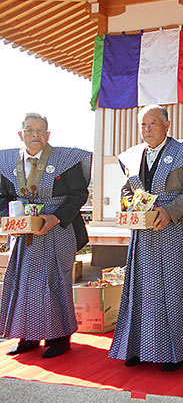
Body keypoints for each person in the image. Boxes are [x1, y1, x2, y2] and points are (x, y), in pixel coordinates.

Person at [108, 105, 183, 371]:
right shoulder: (133, 156)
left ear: (167, 126)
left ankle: (173, 352)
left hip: (177, 230)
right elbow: (126, 189)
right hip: (143, 234)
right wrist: (128, 204)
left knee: (173, 293)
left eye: (153, 124)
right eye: (142, 125)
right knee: (139, 291)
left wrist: (169, 211)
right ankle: (136, 348)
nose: (147, 129)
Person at [0, 113, 91, 358]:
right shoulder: (8, 161)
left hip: (57, 228)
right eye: (29, 130)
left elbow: (78, 194)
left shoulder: (65, 160)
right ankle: (27, 336)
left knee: (54, 283)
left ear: (48, 135)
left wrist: (56, 217)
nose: (35, 135)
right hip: (24, 232)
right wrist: (10, 218)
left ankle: (59, 338)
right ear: (21, 135)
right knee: (23, 283)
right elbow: (2, 196)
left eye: (40, 130)